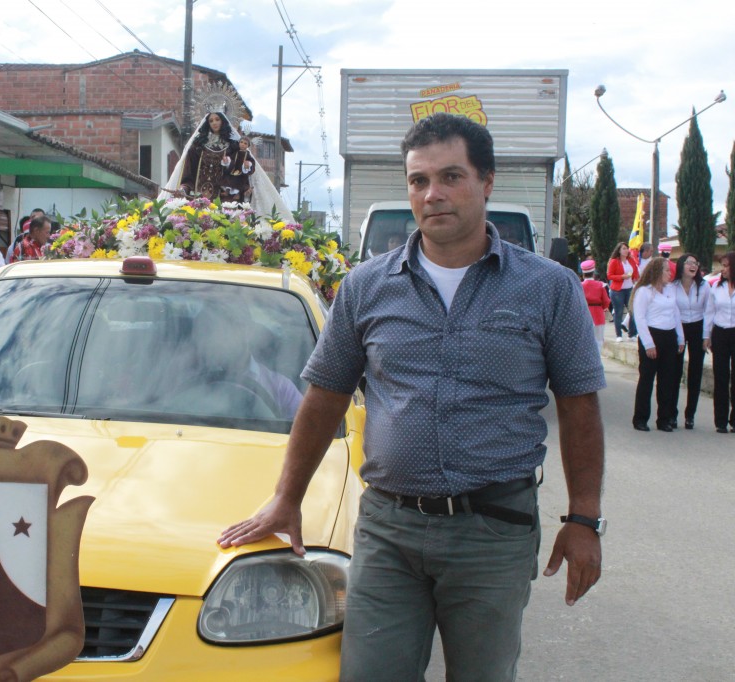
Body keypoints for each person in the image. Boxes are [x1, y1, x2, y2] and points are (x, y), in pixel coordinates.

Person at [219, 113, 606, 681]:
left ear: (487, 182)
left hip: (494, 531)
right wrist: (286, 497)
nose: (433, 194)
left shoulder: (548, 289)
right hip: (389, 532)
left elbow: (579, 409)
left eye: (451, 176)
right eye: (419, 180)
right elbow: (324, 398)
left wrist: (584, 519)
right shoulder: (366, 287)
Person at [159, 111, 295, 223]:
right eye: (211, 121)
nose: (214, 123)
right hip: (198, 201)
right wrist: (183, 189)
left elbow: (239, 174)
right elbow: (188, 175)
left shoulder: (233, 147)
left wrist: (245, 176)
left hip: (224, 202)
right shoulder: (197, 147)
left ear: (223, 121)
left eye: (217, 119)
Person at [631, 257, 684, 432]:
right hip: (652, 335)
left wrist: (680, 338)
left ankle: (664, 419)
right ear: (657, 272)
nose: (670, 274)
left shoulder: (670, 290)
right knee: (647, 378)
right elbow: (640, 318)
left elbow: (676, 313)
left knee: (667, 379)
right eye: (667, 270)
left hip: (669, 336)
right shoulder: (644, 292)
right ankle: (640, 418)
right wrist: (648, 344)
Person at [670, 253, 710, 430]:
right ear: (681, 266)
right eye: (689, 263)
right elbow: (672, 312)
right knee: (675, 372)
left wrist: (706, 336)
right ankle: (671, 414)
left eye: (696, 263)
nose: (693, 266)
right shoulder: (673, 286)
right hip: (678, 327)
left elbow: (709, 312)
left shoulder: (704, 286)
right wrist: (679, 337)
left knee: (695, 371)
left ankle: (690, 415)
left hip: (698, 328)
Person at [705, 251, 735, 433]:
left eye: (726, 266)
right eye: (722, 266)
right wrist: (706, 336)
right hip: (720, 334)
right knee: (721, 377)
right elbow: (709, 313)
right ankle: (721, 421)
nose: (722, 269)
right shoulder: (716, 287)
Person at [607, 242, 640, 341]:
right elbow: (610, 275)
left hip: (629, 288)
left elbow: (635, 272)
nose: (626, 250)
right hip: (617, 290)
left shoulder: (631, 260)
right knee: (619, 312)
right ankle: (619, 335)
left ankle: (632, 334)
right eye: (624, 249)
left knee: (632, 311)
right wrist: (622, 277)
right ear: (619, 250)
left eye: (627, 248)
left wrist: (635, 278)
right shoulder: (614, 261)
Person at [581, 259, 610, 352]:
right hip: (598, 314)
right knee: (598, 340)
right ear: (593, 273)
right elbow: (606, 301)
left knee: (585, 341)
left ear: (583, 274)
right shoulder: (600, 285)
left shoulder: (580, 285)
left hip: (584, 314)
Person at [220, 136, 256, 203]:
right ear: (239, 143)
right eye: (241, 142)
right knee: (227, 179)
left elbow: (252, 165)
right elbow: (231, 160)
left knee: (239, 183)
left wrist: (247, 166)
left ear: (248, 146)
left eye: (245, 143)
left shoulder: (248, 155)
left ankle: (237, 194)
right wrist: (227, 161)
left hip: (241, 175)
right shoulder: (235, 153)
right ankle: (227, 191)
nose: (242, 144)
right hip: (232, 172)